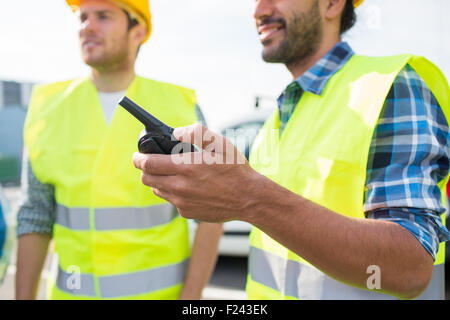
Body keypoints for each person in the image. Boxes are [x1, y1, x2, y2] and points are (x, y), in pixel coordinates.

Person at [133, 0, 450, 300]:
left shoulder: (391, 85)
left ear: (332, 3)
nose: (259, 10)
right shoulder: (281, 114)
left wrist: (249, 197)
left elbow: (409, 268)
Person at [16, 0, 222, 300]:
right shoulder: (47, 108)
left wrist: (190, 296)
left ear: (138, 30)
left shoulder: (180, 107)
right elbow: (35, 214)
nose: (87, 26)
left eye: (103, 16)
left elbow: (211, 213)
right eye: (82, 17)